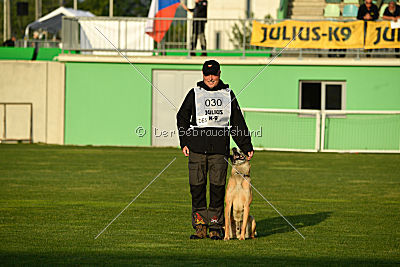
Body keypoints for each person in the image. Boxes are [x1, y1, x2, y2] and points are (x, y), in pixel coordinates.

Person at [177, 60, 254, 240]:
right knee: (197, 188)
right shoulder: (194, 93)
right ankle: (200, 226)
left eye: (214, 74)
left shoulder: (228, 94)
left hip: (219, 150)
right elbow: (182, 117)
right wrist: (185, 141)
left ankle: (215, 225)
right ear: (202, 74)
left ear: (219, 73)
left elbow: (237, 121)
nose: (210, 78)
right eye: (206, 74)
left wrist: (246, 145)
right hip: (196, 149)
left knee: (218, 189)